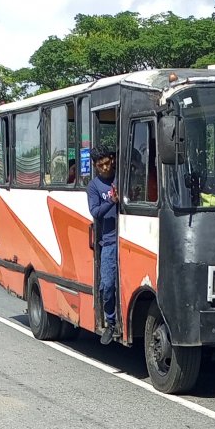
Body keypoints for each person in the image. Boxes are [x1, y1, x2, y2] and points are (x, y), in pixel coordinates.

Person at [87, 146, 119, 345]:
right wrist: (112, 201)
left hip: (129, 238)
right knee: (107, 285)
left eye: (107, 163)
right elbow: (95, 212)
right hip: (108, 241)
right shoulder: (94, 186)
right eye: (101, 166)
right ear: (95, 166)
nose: (105, 168)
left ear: (112, 160)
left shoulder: (122, 177)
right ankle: (110, 322)